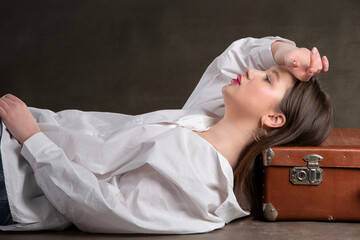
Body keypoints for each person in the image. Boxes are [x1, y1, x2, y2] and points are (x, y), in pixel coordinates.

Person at [0, 36, 332, 233]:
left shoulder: (200, 182)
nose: (250, 71)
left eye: (267, 79)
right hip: (15, 134)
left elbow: (99, 207)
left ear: (273, 118)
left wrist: (32, 139)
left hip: (13, 177)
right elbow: (237, 55)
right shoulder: (206, 120)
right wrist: (287, 54)